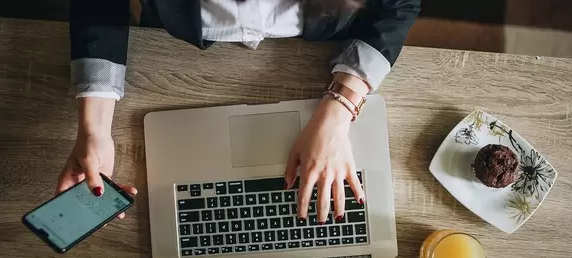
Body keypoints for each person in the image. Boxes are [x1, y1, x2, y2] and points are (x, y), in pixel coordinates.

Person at [61, 0, 420, 223]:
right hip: (175, 53)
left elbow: (398, 6)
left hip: (318, 45)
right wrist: (94, 128)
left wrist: (340, 106)